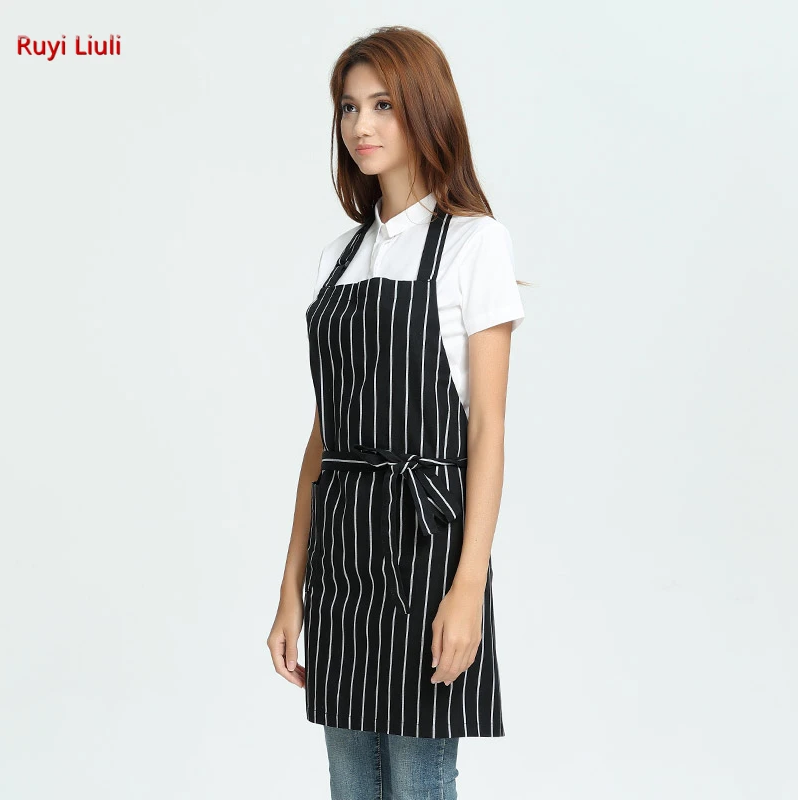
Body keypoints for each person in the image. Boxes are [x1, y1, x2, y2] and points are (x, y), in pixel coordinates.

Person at [267, 25, 527, 800]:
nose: (362, 125)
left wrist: (468, 587)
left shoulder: (475, 244)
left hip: (427, 549)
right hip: (342, 553)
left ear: (423, 108)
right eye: (349, 108)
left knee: (417, 782)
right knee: (351, 784)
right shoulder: (338, 259)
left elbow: (487, 429)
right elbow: (324, 439)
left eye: (382, 104)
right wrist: (291, 589)